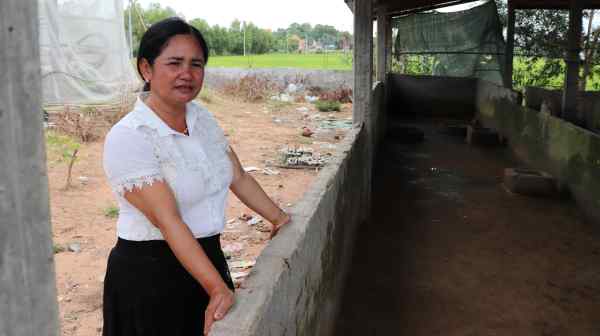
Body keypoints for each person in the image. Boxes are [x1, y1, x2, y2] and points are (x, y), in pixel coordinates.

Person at [102, 17, 290, 336]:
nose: (186, 74)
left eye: (196, 64)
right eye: (174, 63)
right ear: (146, 69)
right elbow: (169, 221)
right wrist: (217, 288)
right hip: (151, 276)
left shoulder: (201, 119)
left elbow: (238, 176)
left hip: (206, 260)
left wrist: (279, 218)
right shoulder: (131, 136)